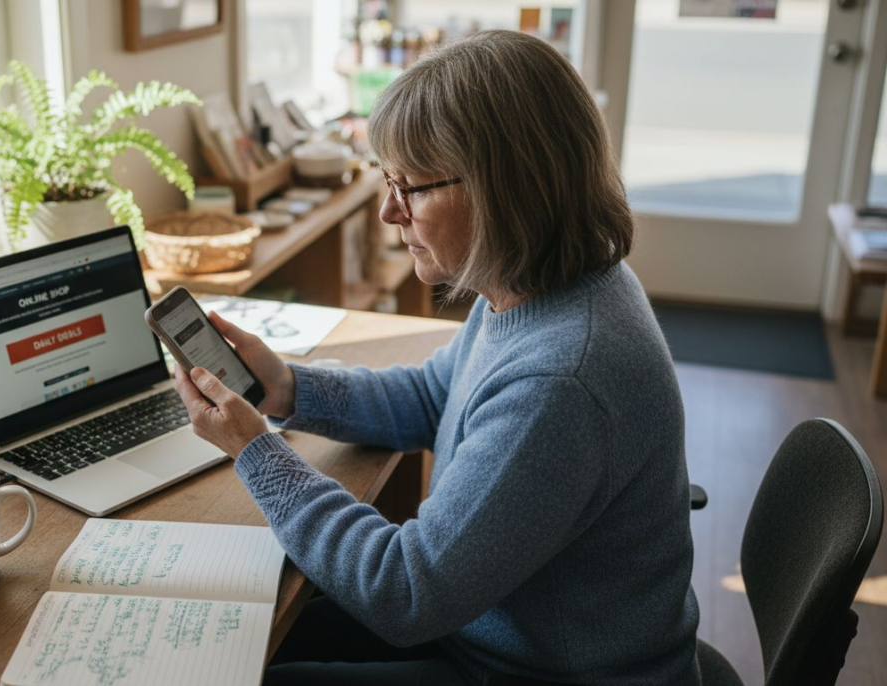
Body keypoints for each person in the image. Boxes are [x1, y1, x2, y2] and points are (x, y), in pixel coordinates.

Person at [172, 29, 700, 686]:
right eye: (385, 179)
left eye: (411, 186)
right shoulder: (534, 283)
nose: (390, 210)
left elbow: (403, 592)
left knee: (241, 669)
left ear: (505, 191)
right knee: (234, 631)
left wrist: (257, 452)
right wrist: (285, 389)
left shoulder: (562, 378)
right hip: (491, 631)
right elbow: (433, 397)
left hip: (535, 670)